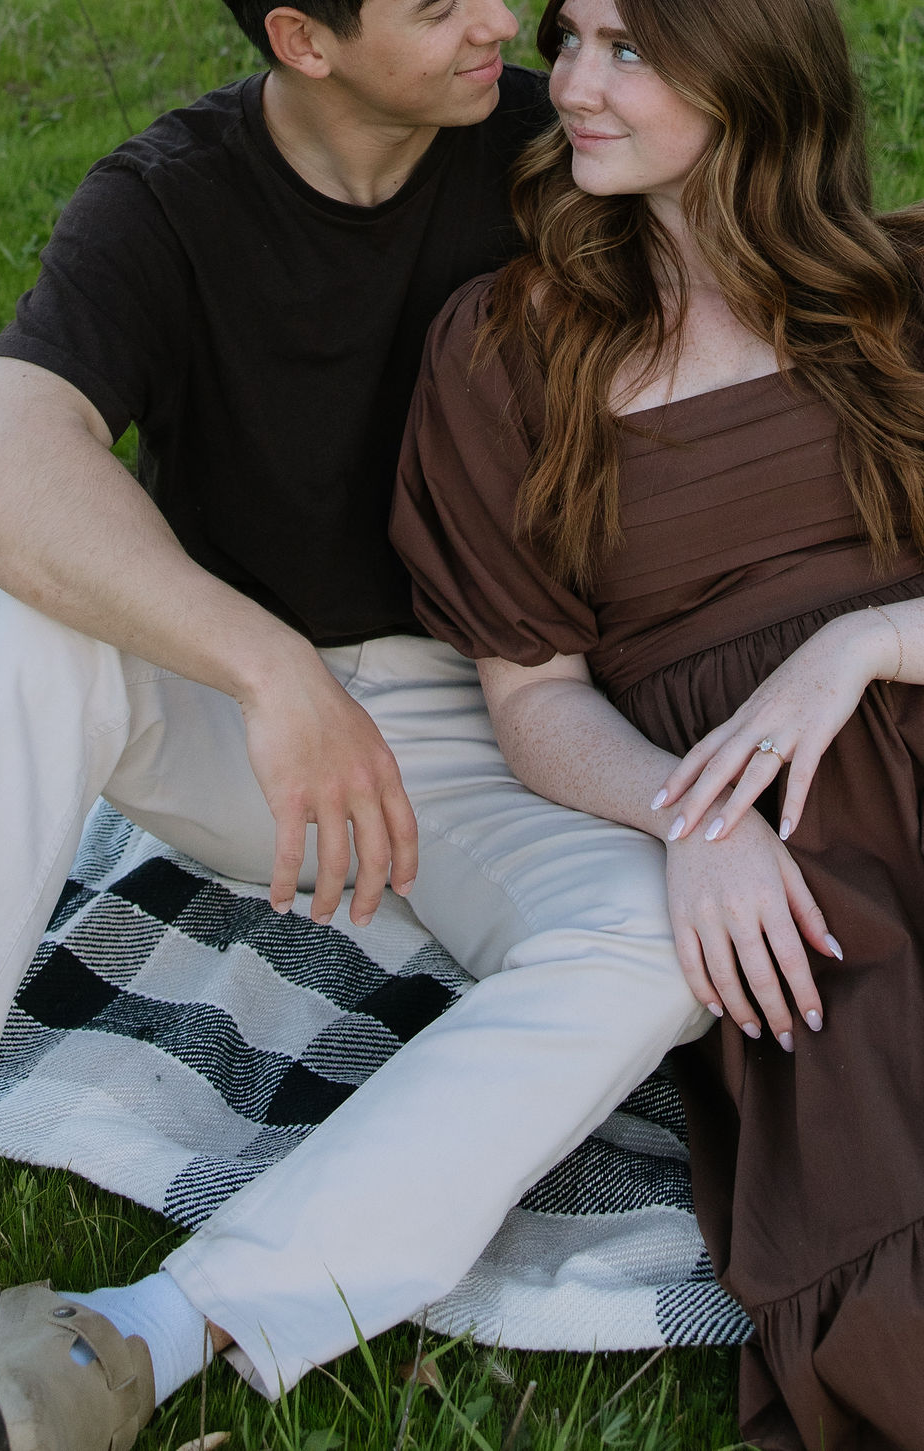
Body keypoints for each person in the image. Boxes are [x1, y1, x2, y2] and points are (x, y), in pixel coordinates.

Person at [0, 0, 715, 1446]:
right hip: (247, 721)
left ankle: (158, 1328)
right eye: (436, 3)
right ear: (304, 37)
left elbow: (772, 257)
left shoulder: (548, 144)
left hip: (508, 714)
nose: (497, 19)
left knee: (671, 932)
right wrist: (279, 675)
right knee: (34, 640)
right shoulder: (173, 196)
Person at [391, 0, 924, 1445]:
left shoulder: (902, 291)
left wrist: (866, 644)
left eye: (629, 47)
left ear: (748, 64)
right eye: (570, 36)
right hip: (799, 841)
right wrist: (701, 818)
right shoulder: (511, 350)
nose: (567, 83)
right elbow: (537, 700)